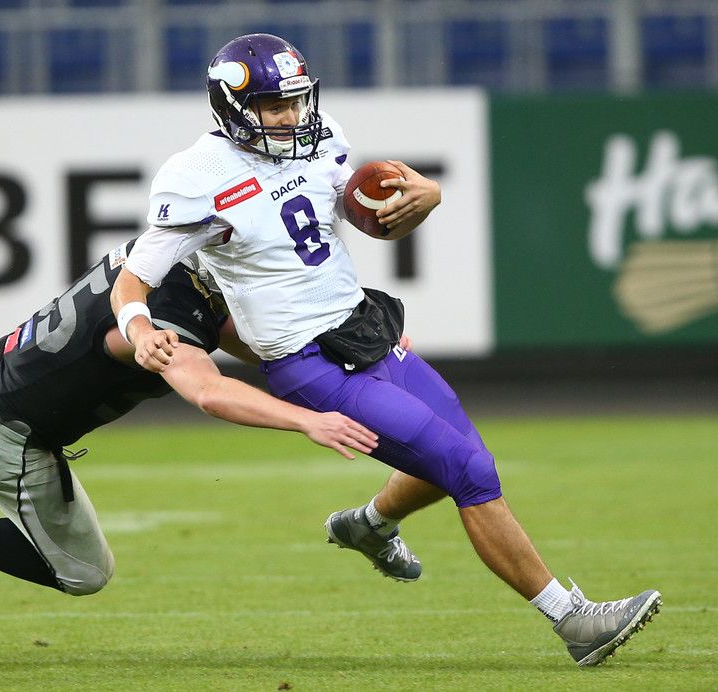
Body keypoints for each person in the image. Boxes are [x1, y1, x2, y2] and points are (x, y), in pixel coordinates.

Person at [110, 33, 661, 667]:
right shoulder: (198, 177)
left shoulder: (321, 139)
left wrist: (424, 199)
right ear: (232, 106)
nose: (290, 117)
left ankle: (368, 525)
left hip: (363, 329)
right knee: (469, 470)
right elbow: (133, 281)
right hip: (309, 364)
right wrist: (140, 329)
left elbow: (370, 216)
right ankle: (573, 620)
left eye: (295, 102)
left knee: (457, 458)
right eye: (273, 106)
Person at [0, 238, 378, 665]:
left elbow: (231, 334)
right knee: (83, 573)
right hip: (9, 428)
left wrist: (329, 360)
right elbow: (207, 390)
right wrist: (309, 419)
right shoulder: (173, 315)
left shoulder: (159, 258)